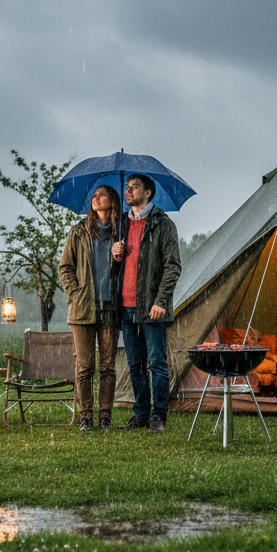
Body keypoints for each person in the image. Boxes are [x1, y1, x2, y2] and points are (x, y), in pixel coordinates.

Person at [112, 174, 182, 433]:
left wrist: (161, 300)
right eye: (127, 187)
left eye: (135, 187)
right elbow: (117, 268)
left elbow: (173, 266)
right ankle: (140, 415)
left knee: (156, 363)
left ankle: (159, 417)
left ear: (148, 193)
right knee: (135, 365)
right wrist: (115, 255)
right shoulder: (121, 224)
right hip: (126, 306)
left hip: (153, 307)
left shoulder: (163, 224)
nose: (128, 191)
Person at [58, 185, 121, 431]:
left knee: (108, 367)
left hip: (110, 306)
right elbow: (65, 267)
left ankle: (105, 416)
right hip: (83, 308)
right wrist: (75, 295)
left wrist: (120, 254)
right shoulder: (78, 232)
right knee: (85, 366)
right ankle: (86, 416)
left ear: (112, 201)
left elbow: (125, 271)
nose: (96, 198)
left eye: (101, 194)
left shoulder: (120, 232)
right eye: (94, 195)